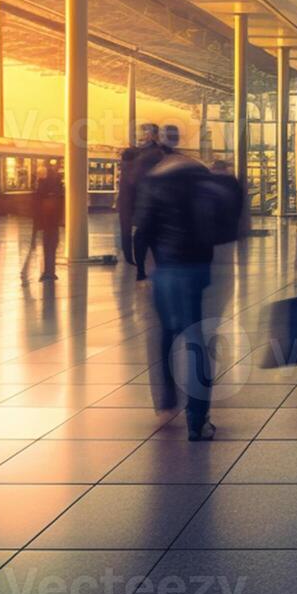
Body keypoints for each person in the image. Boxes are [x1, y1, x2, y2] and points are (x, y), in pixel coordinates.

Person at [135, 133, 234, 441]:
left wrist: (141, 272)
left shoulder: (155, 183)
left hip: (164, 271)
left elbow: (141, 234)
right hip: (196, 269)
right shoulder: (202, 182)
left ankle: (166, 401)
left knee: (166, 334)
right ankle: (198, 420)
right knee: (196, 341)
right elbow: (221, 227)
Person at [128, 126, 177, 279]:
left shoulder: (151, 154)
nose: (144, 136)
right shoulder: (159, 153)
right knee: (151, 237)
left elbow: (135, 178)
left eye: (147, 133)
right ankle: (154, 269)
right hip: (155, 203)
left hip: (150, 202)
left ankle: (143, 270)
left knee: (143, 237)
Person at [116, 124, 158, 268]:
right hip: (135, 198)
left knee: (142, 229)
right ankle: (133, 256)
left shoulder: (154, 154)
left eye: (146, 132)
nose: (142, 136)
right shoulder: (133, 154)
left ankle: (134, 256)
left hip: (140, 199)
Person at [30, 160, 64, 282]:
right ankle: (50, 271)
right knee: (51, 246)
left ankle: (48, 272)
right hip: (53, 223)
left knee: (48, 246)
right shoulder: (57, 188)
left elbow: (37, 204)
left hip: (47, 222)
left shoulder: (43, 187)